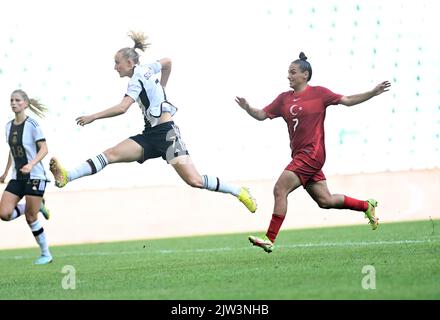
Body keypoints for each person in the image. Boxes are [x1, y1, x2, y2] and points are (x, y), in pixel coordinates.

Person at [49, 31, 257, 215]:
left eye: (117, 62)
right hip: (150, 135)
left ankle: (239, 191)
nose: (115, 67)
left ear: (129, 63)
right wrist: (163, 88)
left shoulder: (135, 80)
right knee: (111, 154)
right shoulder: (148, 68)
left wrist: (93, 116)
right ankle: (68, 176)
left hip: (167, 135)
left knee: (195, 181)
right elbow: (168, 62)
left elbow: (123, 107)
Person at [235, 52, 391, 253]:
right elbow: (261, 115)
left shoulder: (319, 93)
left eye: (292, 72)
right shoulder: (283, 99)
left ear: (305, 75)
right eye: (288, 73)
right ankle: (366, 206)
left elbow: (348, 100)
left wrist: (372, 92)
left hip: (312, 153)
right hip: (300, 155)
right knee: (325, 201)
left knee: (279, 189)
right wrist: (248, 108)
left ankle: (269, 238)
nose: (288, 76)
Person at [0, 89, 53, 264]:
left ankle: (46, 254)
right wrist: (6, 172)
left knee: (31, 218)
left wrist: (31, 164)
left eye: (17, 100)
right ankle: (36, 206)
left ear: (25, 104)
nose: (14, 103)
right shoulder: (8, 126)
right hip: (17, 177)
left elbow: (44, 148)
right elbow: (13, 151)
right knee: (4, 214)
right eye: (11, 100)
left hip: (35, 176)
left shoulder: (32, 125)